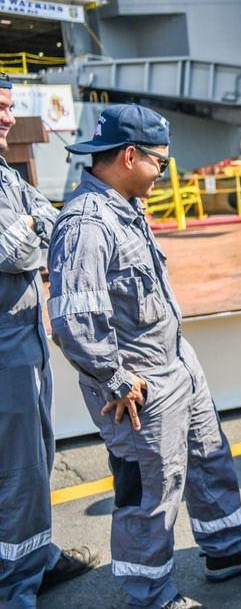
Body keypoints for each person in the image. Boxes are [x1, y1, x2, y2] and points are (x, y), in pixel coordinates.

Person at [47, 103, 241, 609]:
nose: (162, 173)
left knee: (207, 455)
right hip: (139, 385)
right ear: (130, 156)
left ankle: (226, 548)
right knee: (151, 492)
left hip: (175, 362)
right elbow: (74, 321)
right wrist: (115, 379)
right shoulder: (88, 224)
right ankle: (149, 593)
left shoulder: (124, 208)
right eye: (159, 161)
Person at [0, 74, 100, 607]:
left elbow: (52, 222)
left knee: (37, 455)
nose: (9, 118)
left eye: (11, 106)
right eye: (1, 107)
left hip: (23, 342)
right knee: (14, 467)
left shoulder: (5, 176)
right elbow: (8, 253)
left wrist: (33, 225)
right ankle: (15, 586)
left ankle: (36, 556)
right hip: (3, 349)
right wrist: (30, 228)